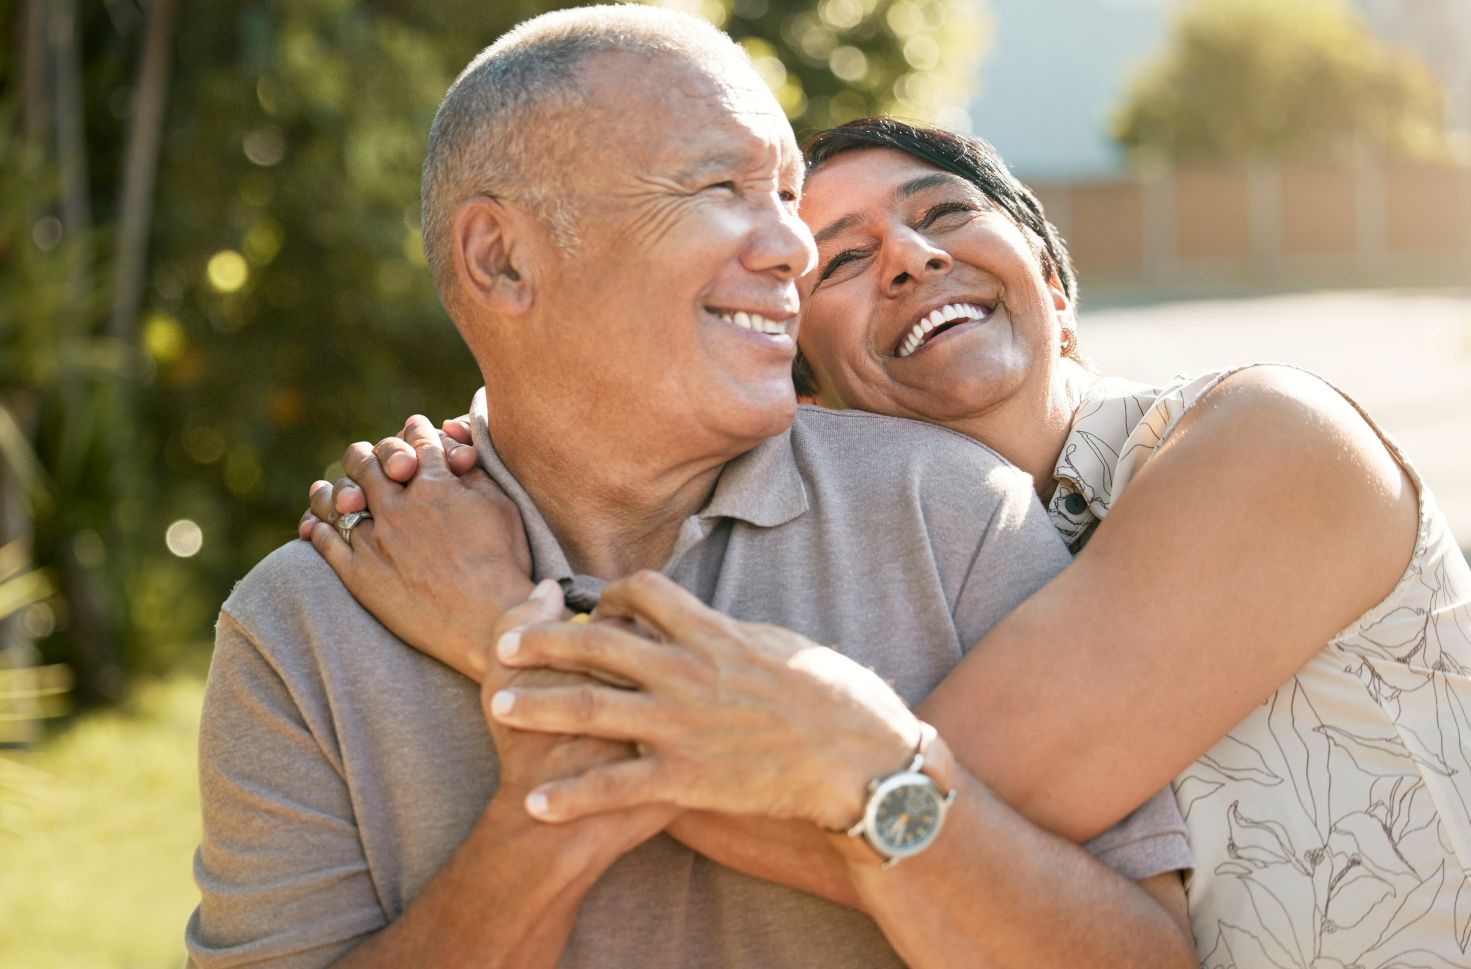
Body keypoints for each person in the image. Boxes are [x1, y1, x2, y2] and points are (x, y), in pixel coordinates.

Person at [309, 115, 1471, 966]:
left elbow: (876, 816)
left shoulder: (1270, 439)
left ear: (1054, 283)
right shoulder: (902, 575)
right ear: (800, 387)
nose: (912, 257)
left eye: (943, 213)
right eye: (846, 261)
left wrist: (501, 627)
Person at [190, 8, 1197, 969]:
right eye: (721, 187)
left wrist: (867, 762)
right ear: (501, 259)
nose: (796, 248)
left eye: (786, 195)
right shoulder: (306, 626)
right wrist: (543, 830)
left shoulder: (951, 513)